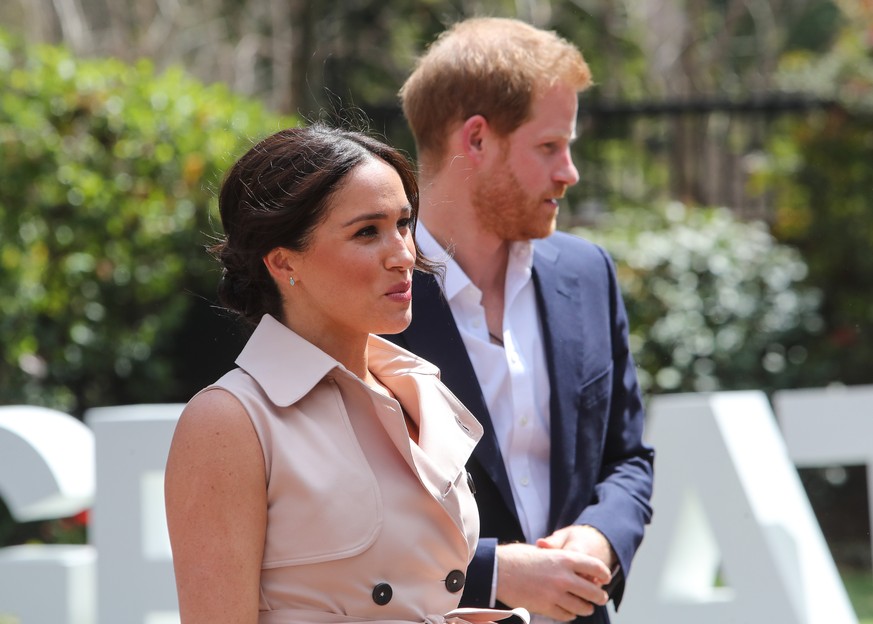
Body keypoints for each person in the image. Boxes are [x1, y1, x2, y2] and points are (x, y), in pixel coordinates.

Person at [163, 124, 532, 624]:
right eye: (366, 231)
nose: (403, 254)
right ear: (283, 262)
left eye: (404, 223)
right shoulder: (231, 421)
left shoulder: (420, 389)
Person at [384, 17, 654, 624]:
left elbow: (627, 457)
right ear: (476, 140)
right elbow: (343, 512)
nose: (570, 172)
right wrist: (494, 572)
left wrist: (600, 538)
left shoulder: (588, 274)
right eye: (550, 146)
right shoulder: (367, 296)